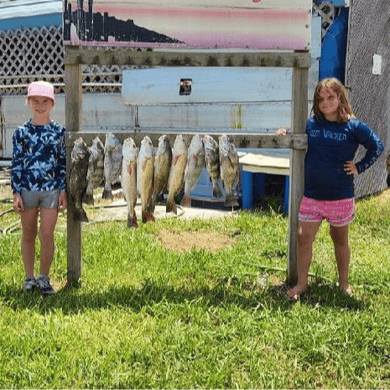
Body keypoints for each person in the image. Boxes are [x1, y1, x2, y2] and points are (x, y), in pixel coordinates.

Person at [285, 78, 384, 301]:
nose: (326, 102)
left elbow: (377, 146)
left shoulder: (354, 126)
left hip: (340, 196)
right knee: (303, 237)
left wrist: (359, 166)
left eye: (331, 97)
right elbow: (296, 134)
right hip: (313, 196)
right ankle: (302, 284)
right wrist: (286, 132)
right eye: (320, 99)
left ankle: (344, 283)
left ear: (340, 97)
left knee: (339, 239)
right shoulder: (311, 124)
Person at [11, 81, 67, 296]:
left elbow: (63, 163)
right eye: (36, 100)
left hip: (51, 192)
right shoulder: (21, 132)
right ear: (28, 102)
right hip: (27, 191)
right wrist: (16, 193)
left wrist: (63, 190)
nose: (40, 105)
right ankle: (29, 277)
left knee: (47, 234)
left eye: (45, 101)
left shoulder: (59, 132)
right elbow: (17, 164)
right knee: (28, 233)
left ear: (52, 103)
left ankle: (44, 277)